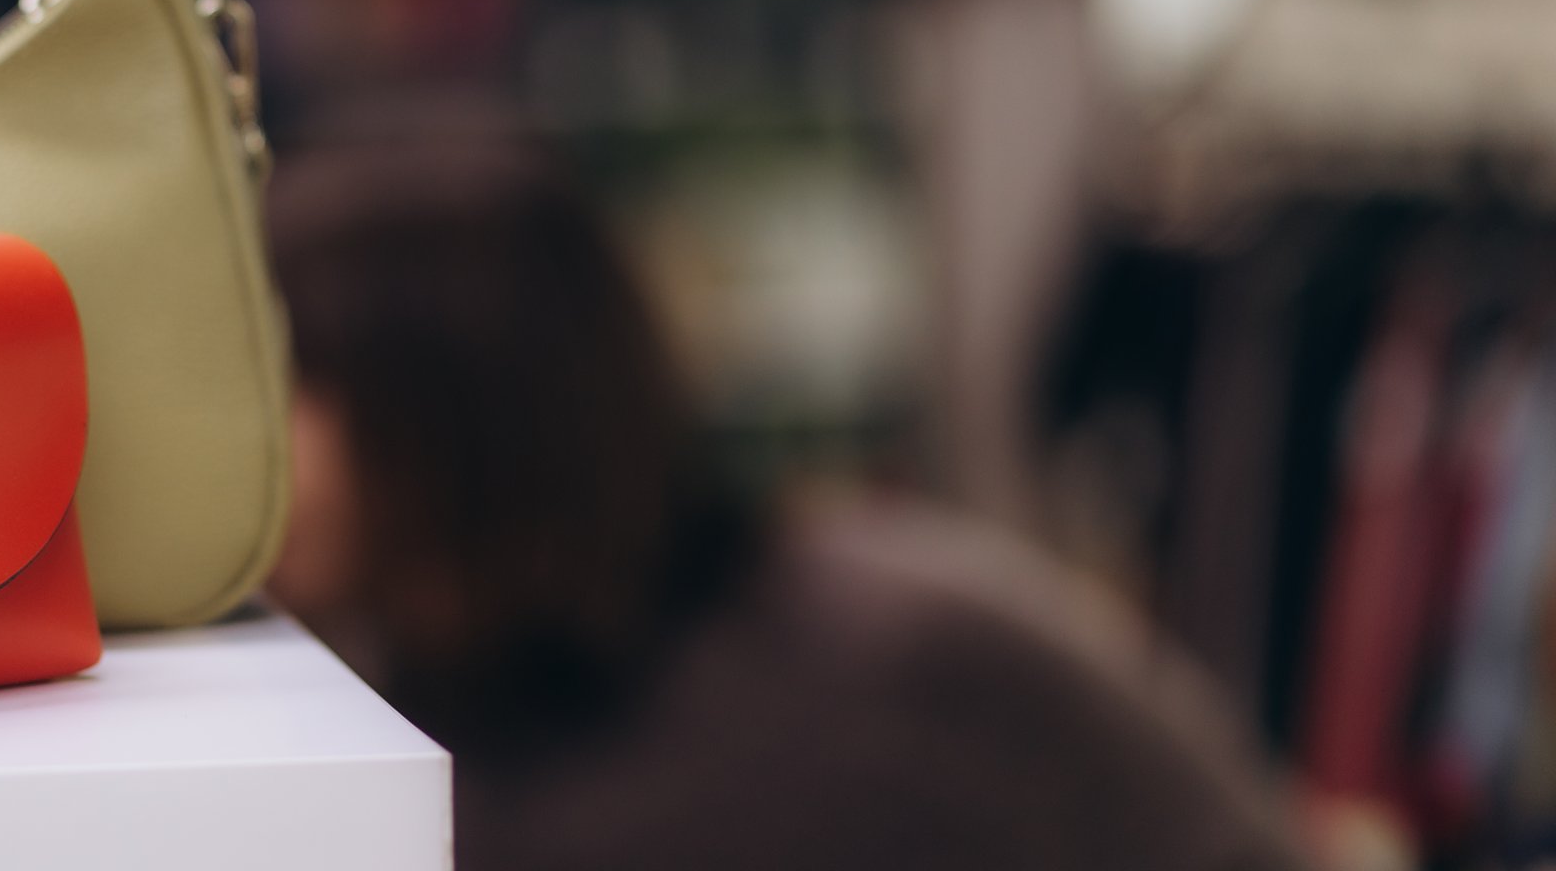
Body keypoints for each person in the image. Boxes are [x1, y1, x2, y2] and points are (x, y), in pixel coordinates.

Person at [265, 132, 1313, 871]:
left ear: (450, 407)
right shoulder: (448, 694)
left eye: (290, 378)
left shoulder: (859, 679)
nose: (239, 439)